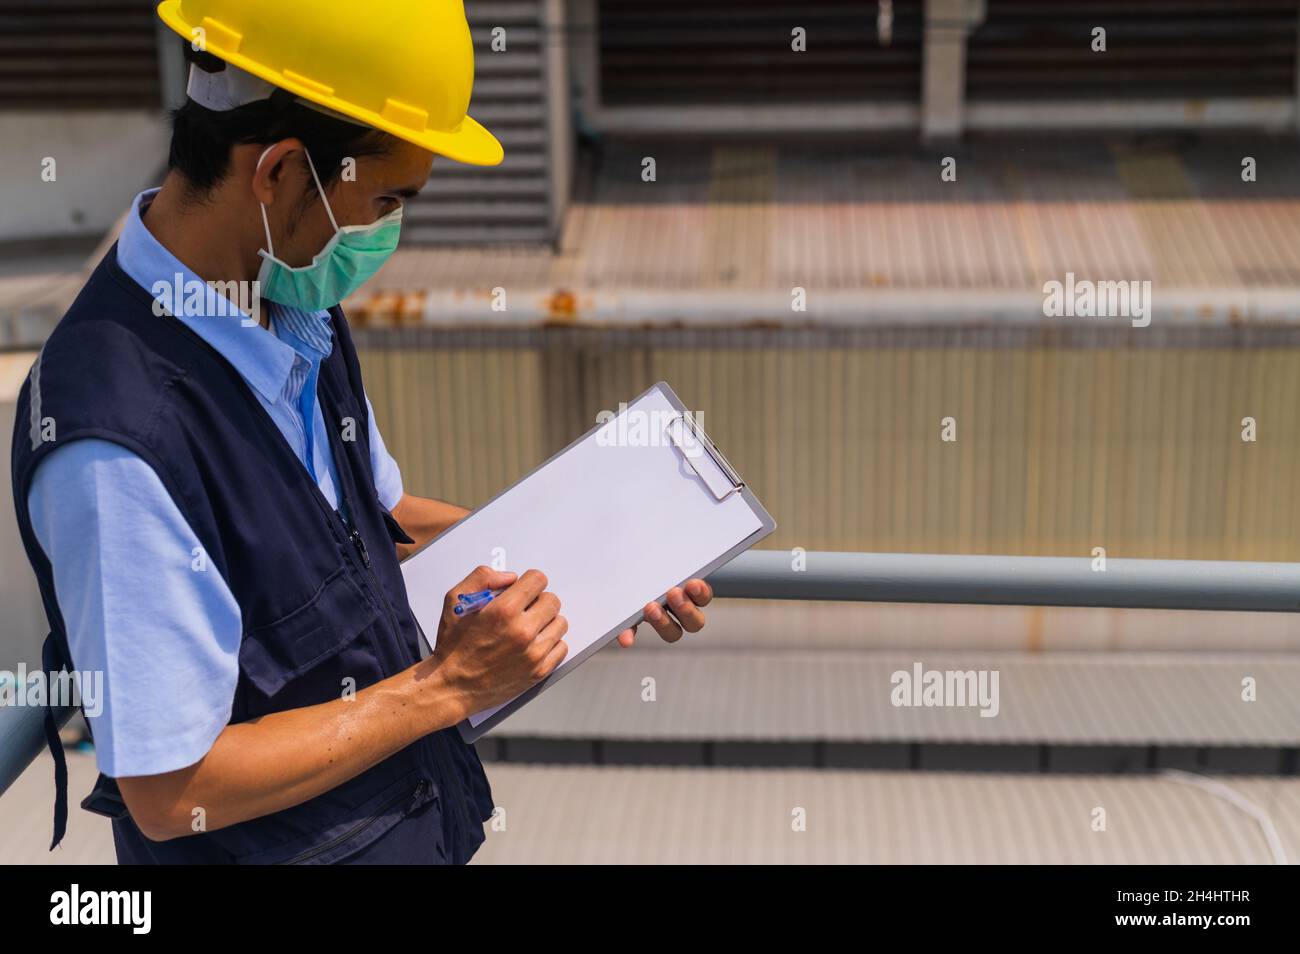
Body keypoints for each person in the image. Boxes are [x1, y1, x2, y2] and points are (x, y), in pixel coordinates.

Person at [9, 0, 713, 864]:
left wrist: (604, 562)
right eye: (382, 198)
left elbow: (379, 522)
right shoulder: (115, 442)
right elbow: (168, 791)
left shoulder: (289, 301)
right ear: (277, 174)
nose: (388, 231)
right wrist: (444, 686)